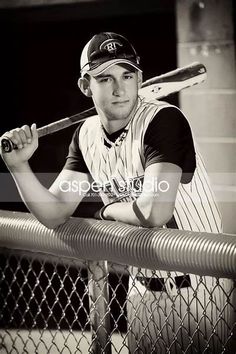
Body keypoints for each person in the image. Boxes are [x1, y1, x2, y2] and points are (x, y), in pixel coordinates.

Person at [0, 32, 232, 353]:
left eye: (127, 75)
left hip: (204, 290)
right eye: (105, 78)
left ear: (139, 77)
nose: (120, 89)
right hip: (141, 293)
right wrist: (18, 166)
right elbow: (53, 211)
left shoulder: (163, 120)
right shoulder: (86, 135)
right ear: (85, 86)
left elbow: (155, 211)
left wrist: (107, 212)